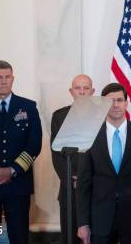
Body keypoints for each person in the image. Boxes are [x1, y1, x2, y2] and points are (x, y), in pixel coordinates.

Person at [76, 83, 131, 244]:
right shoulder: (90, 135)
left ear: (126, 103)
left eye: (120, 100)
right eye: (110, 101)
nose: (115, 105)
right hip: (100, 219)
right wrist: (83, 223)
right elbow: (83, 183)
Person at [0, 60, 42, 244]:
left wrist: (12, 170)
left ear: (13, 79)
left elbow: (34, 144)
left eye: (7, 77)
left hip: (18, 184)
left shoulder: (28, 107)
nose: (3, 81)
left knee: (19, 237)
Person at [50, 74, 95, 244]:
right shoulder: (59, 117)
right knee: (70, 236)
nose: (82, 92)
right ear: (71, 91)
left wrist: (88, 178)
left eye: (86, 88)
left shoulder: (103, 116)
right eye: (78, 88)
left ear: (93, 91)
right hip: (70, 188)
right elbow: (56, 153)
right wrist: (71, 178)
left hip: (96, 187)